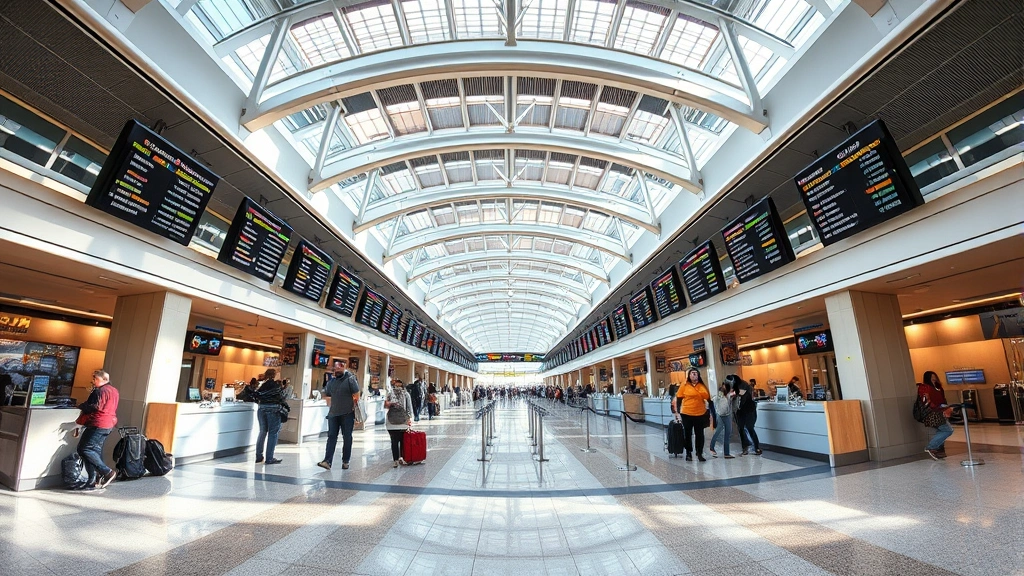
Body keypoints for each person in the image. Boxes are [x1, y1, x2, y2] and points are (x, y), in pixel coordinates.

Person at [75, 370, 119, 490]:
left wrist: (81, 406)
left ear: (104, 380)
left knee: (83, 448)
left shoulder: (100, 391)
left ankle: (107, 472)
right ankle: (93, 480)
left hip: (97, 423)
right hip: (109, 424)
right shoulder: (114, 390)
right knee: (94, 451)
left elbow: (94, 406)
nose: (94, 381)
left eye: (96, 379)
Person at [319, 360, 361, 470]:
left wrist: (354, 409)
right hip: (333, 414)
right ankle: (327, 461)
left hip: (347, 414)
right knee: (331, 437)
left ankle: (345, 461)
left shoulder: (350, 379)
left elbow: (357, 394)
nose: (337, 370)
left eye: (339, 367)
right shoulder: (332, 382)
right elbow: (327, 394)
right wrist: (330, 403)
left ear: (344, 367)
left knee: (347, 437)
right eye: (335, 368)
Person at [674, 368, 711, 462]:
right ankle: (688, 453)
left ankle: (699, 453)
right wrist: (678, 411)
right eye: (692, 373)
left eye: (696, 374)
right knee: (688, 433)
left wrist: (698, 390)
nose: (694, 375)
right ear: (689, 375)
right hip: (687, 413)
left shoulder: (701, 385)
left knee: (700, 434)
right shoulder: (684, 385)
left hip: (700, 413)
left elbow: (707, 396)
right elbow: (679, 398)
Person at [918, 371, 954, 460]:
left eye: (935, 376)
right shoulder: (925, 387)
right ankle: (931, 447)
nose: (934, 378)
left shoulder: (938, 388)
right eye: (932, 377)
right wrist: (937, 407)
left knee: (941, 430)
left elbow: (943, 399)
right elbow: (926, 401)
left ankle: (938, 451)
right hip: (933, 412)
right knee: (947, 430)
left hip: (940, 411)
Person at [254, 369, 285, 465]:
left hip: (261, 409)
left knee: (262, 431)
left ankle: (259, 456)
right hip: (273, 410)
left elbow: (256, 396)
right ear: (274, 375)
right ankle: (269, 458)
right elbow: (281, 397)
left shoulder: (262, 385)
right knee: (273, 433)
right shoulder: (276, 386)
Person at [728, 374, 762, 456]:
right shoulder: (734, 386)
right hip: (740, 411)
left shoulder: (744, 385)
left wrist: (735, 394)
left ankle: (756, 447)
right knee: (741, 429)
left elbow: (744, 396)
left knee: (750, 428)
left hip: (748, 410)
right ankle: (745, 447)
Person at [384, 379, 414, 467]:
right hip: (402, 421)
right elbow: (409, 408)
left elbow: (385, 406)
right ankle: (401, 457)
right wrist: (409, 419)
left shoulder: (389, 394)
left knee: (394, 441)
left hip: (391, 422)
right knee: (402, 441)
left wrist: (389, 404)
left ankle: (395, 460)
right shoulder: (406, 394)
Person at [708, 382, 735, 459]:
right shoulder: (718, 397)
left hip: (727, 415)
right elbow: (711, 402)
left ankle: (726, 453)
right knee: (718, 431)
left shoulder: (729, 396)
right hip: (720, 415)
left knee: (728, 433)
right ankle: (712, 447)